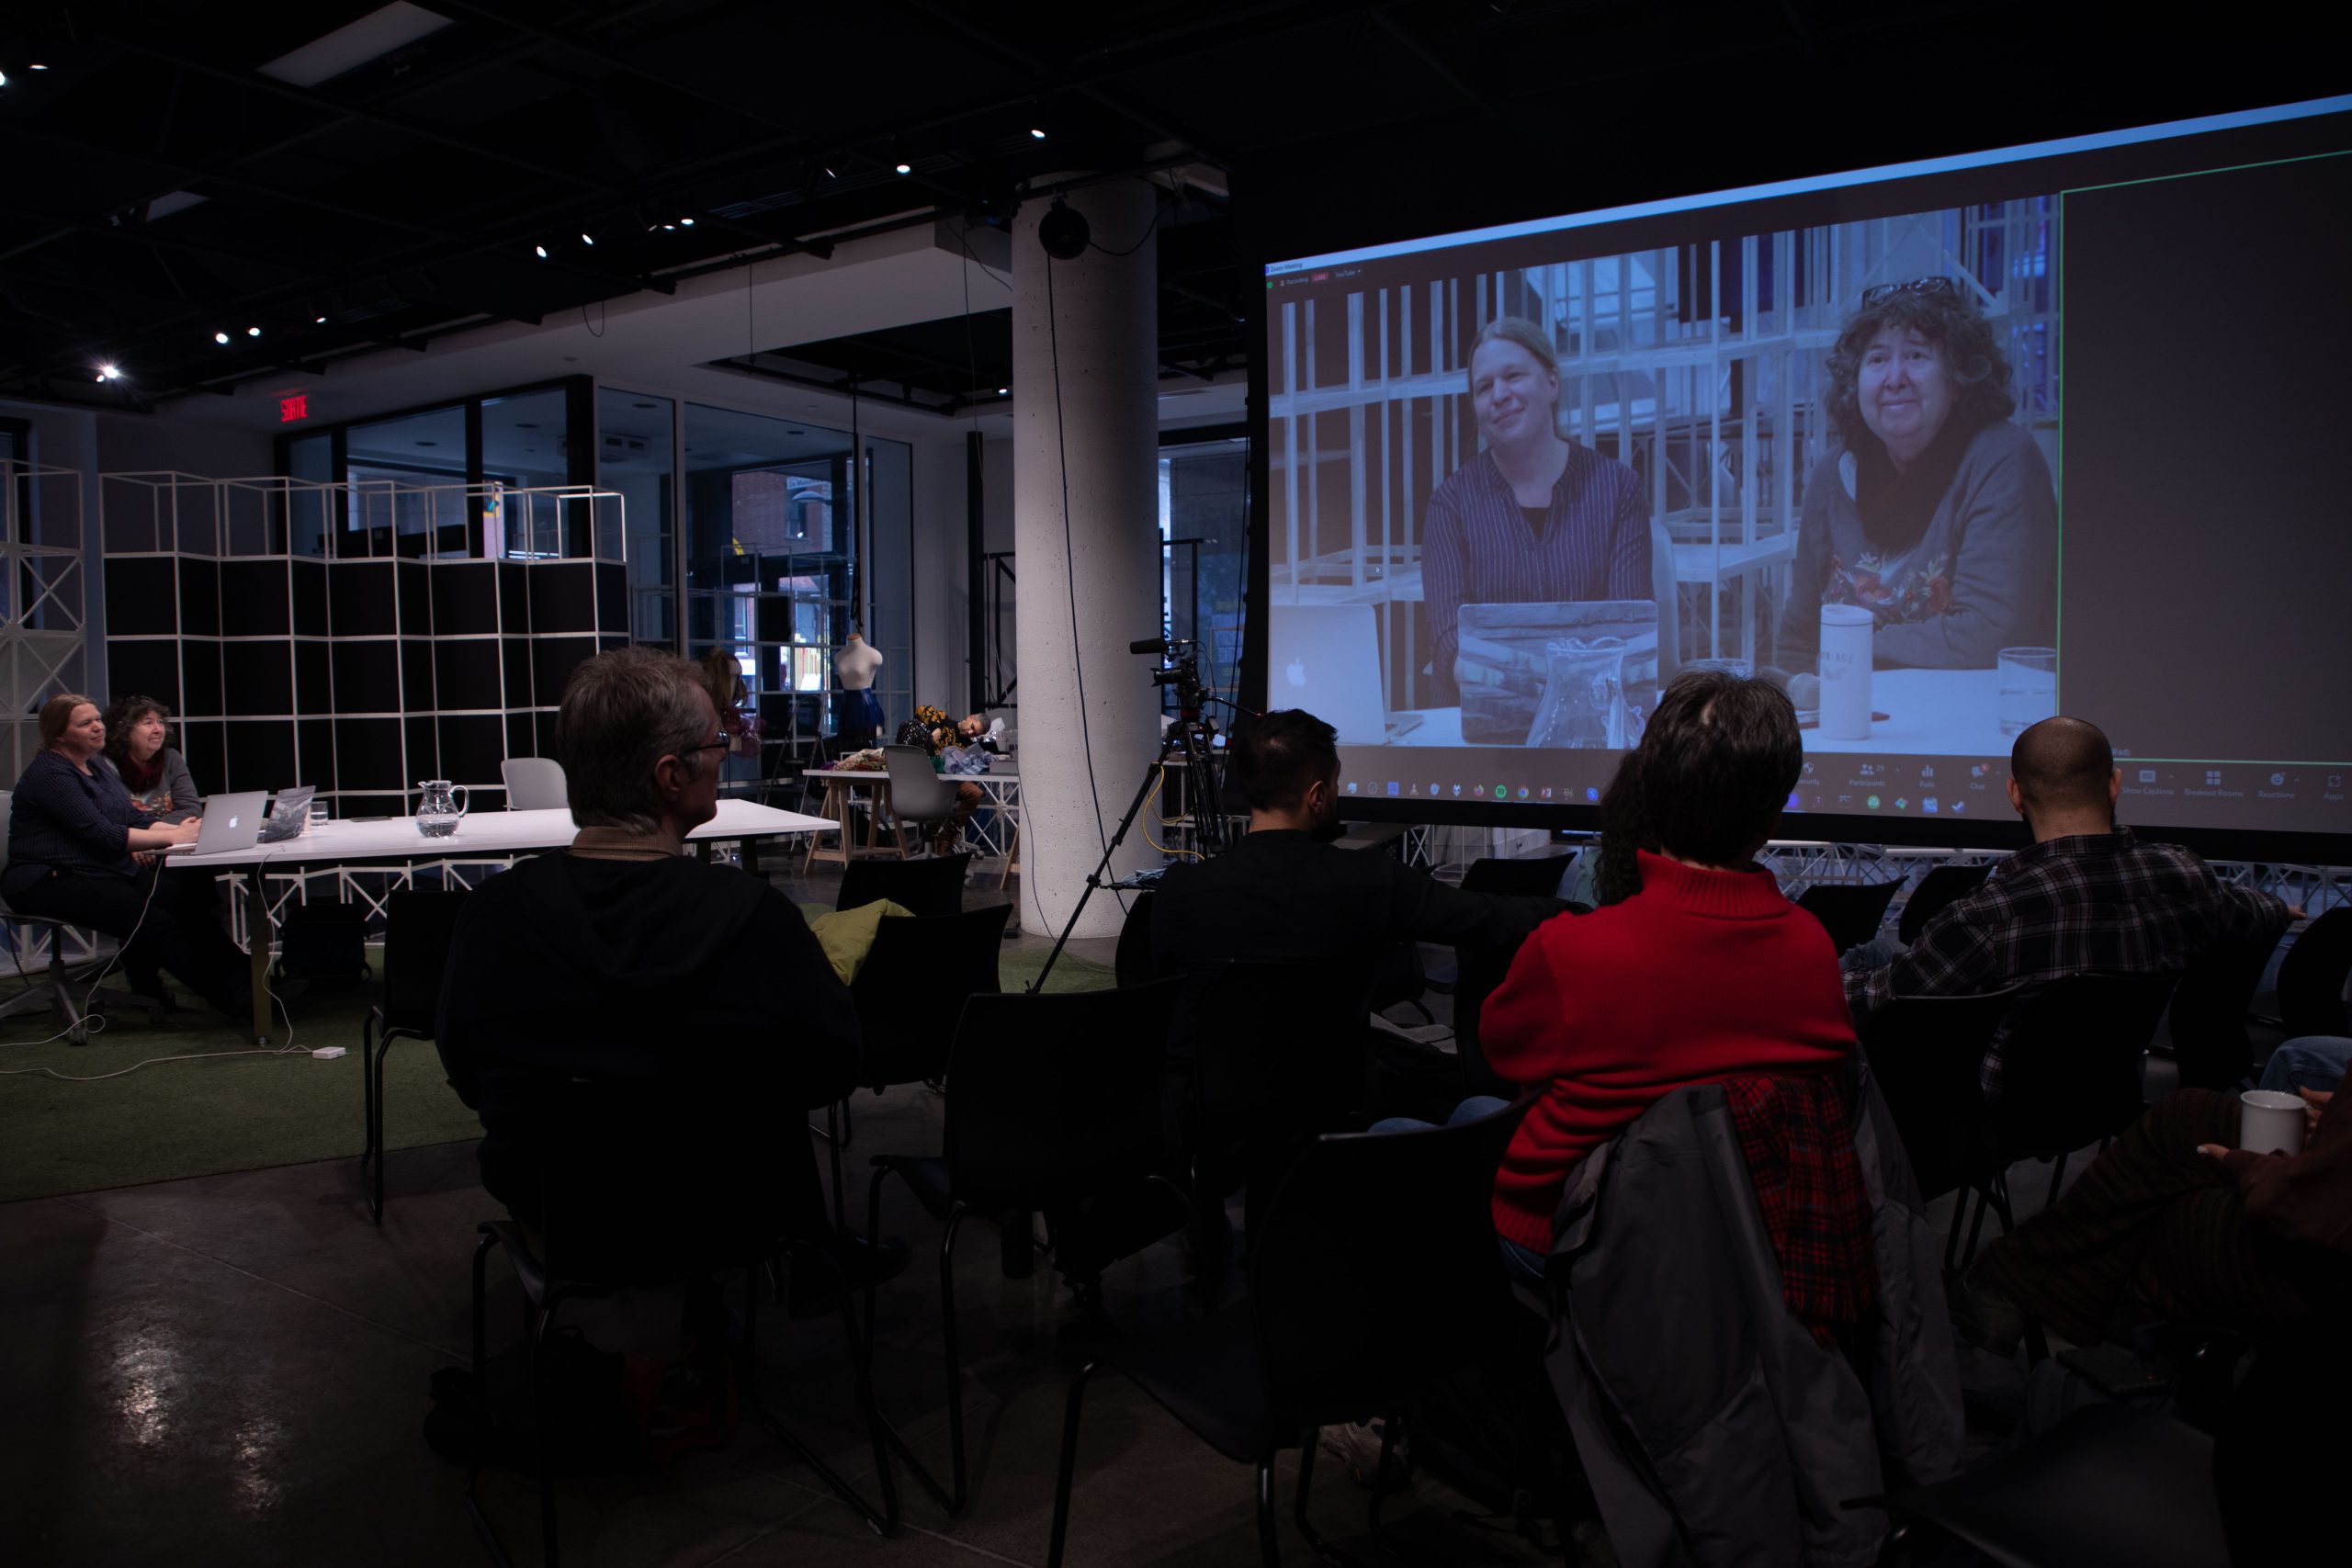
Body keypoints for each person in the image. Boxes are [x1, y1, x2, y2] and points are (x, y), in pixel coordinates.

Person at [435, 648, 903, 1291]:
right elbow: (833, 1065)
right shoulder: (751, 918)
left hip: (560, 1219)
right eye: (716, 742)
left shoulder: (491, 915)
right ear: (671, 775)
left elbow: (467, 1072)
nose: (725, 752)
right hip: (724, 1216)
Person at [1480, 671, 1860, 1280]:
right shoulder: (1814, 950)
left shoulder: (1570, 951)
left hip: (1582, 1246)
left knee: (1423, 1126)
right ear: (1771, 821)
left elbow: (1503, 1054)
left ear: (1650, 794)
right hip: (1750, 1248)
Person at [1846, 716, 2294, 1097]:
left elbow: (1876, 1002)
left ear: (2015, 794)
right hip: (2104, 1098)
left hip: (1994, 1112)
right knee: (1884, 952)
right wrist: (2280, 907)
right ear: (2114, 785)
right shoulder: (2186, 876)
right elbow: (2255, 912)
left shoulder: (1989, 914)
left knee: (1868, 962)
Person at [1148, 707, 1564, 977]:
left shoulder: (1180, 892)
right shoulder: (1370, 881)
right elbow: (1484, 917)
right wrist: (1577, 914)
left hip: (1211, 1091)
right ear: (1317, 796)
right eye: (1335, 783)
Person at [1776, 276, 2058, 671]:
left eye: (1916, 355)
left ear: (1959, 376)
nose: (1894, 379)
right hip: (1849, 704)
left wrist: (1848, 650)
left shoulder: (2002, 459)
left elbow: (1988, 632)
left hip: (1969, 706)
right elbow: (1798, 640)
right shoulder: (1831, 474)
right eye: (1877, 360)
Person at [1959, 1073, 2351, 1351]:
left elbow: (2301, 1205)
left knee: (2170, 1209)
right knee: (2187, 1113)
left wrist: (2243, 1164)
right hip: (2329, 1187)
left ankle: (2032, 1288)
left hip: (2325, 1271)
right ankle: (2031, 1284)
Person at [1421, 317, 1656, 705]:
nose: (1499, 395)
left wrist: (1566, 697)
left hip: (1592, 713)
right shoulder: (1451, 504)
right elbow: (1449, 641)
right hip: (1486, 713)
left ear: (1552, 383)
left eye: (1513, 376)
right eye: (1484, 387)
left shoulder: (1617, 489)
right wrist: (1510, 688)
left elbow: (1627, 628)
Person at [2, 694, 250, 1019]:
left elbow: (132, 818)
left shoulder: (93, 765)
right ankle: (237, 1002)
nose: (97, 727)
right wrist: (175, 836)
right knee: (155, 922)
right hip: (46, 880)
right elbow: (104, 835)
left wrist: (187, 831)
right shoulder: (51, 774)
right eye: (85, 723)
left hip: (98, 871)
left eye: (97, 719)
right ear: (59, 735)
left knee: (187, 904)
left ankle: (253, 983)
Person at [95, 694, 200, 823]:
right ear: (125, 731)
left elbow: (192, 810)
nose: (158, 730)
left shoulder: (171, 758)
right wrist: (149, 830)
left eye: (160, 722)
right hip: (129, 836)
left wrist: (156, 828)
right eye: (148, 723)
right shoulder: (102, 765)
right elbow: (108, 820)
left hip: (170, 833)